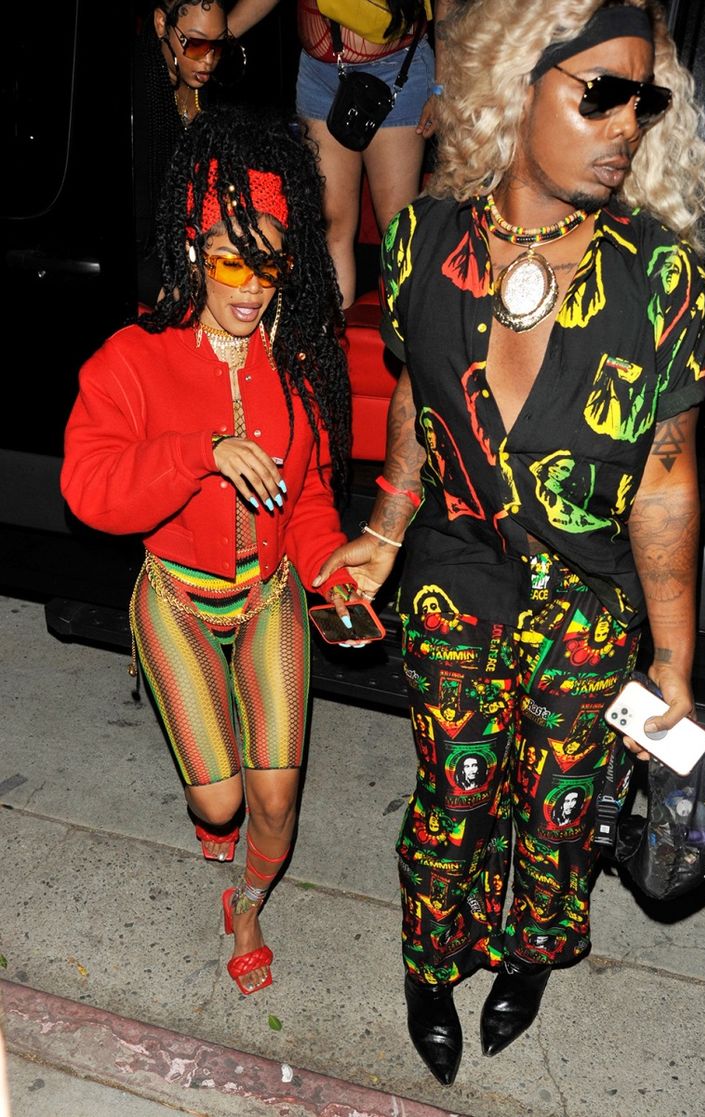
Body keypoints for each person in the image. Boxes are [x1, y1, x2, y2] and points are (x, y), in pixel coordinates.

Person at [314, 0, 705, 1085]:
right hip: (457, 577)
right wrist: (383, 529)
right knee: (453, 794)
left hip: (590, 604)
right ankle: (428, 967)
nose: (625, 123)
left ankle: (530, 958)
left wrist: (675, 664)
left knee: (556, 809)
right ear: (516, 82)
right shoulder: (421, 242)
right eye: (599, 90)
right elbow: (417, 400)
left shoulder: (662, 283)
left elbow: (667, 481)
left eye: (643, 99)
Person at [61, 103, 359, 997]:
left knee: (274, 801)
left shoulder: (297, 360)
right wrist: (198, 451)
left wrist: (334, 571)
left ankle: (246, 904)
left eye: (268, 260)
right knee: (219, 800)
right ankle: (211, 804)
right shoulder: (132, 358)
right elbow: (89, 489)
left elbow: (305, 497)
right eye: (230, 257)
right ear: (193, 250)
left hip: (267, 596)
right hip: (180, 597)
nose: (250, 283)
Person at [228, 0, 451, 306]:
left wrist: (442, 85)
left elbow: (446, 4)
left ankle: (400, 343)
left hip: (395, 71)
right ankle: (334, 343)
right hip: (319, 75)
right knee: (333, 223)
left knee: (395, 229)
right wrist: (218, 37)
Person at [133, 0, 244, 306]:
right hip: (144, 257)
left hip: (201, 247)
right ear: (160, 25)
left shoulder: (207, 89)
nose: (208, 59)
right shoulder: (140, 96)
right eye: (195, 44)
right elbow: (141, 227)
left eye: (218, 46)